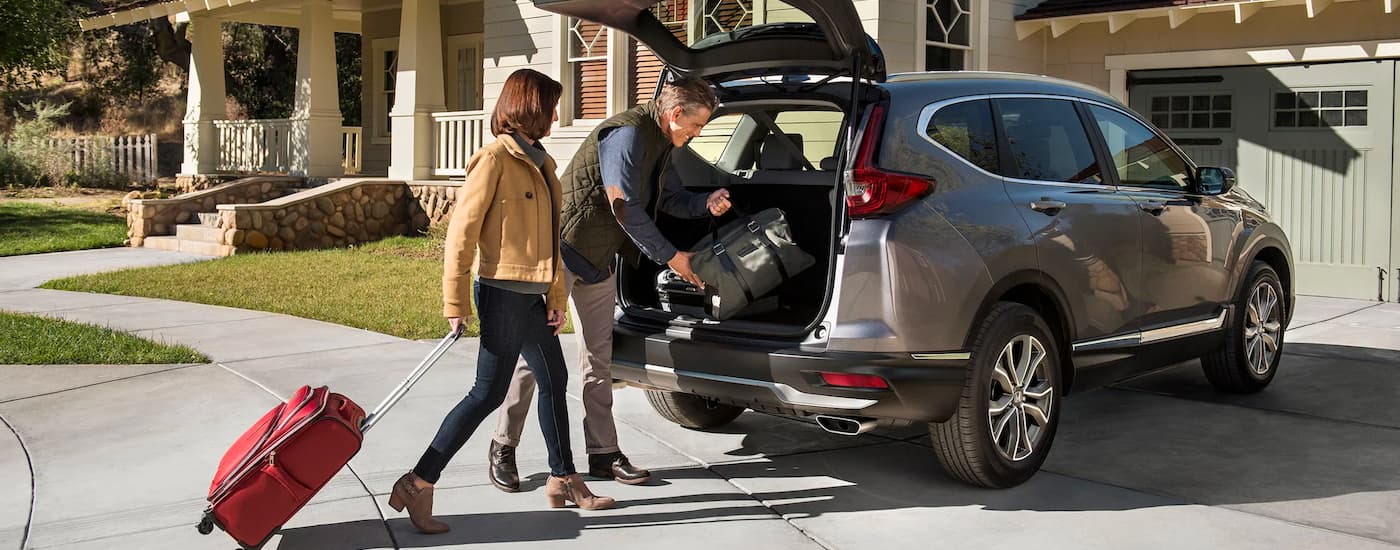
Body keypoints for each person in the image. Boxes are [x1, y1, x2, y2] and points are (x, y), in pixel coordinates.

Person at [388, 68, 614, 536]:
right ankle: (418, 481)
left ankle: (563, 478)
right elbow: (461, 235)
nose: (556, 115)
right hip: (500, 296)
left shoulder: (543, 162)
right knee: (487, 393)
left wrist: (554, 296)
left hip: (534, 301)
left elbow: (552, 241)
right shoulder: (493, 160)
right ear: (529, 108)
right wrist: (455, 301)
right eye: (550, 106)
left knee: (555, 379)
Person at [487, 77, 731, 492]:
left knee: (597, 361)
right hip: (563, 253)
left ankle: (603, 453)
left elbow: (666, 199)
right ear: (675, 115)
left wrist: (704, 203)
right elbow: (624, 206)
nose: (697, 134)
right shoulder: (628, 134)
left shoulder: (662, 144)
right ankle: (503, 445)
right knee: (534, 361)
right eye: (697, 125)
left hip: (598, 262)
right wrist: (672, 256)